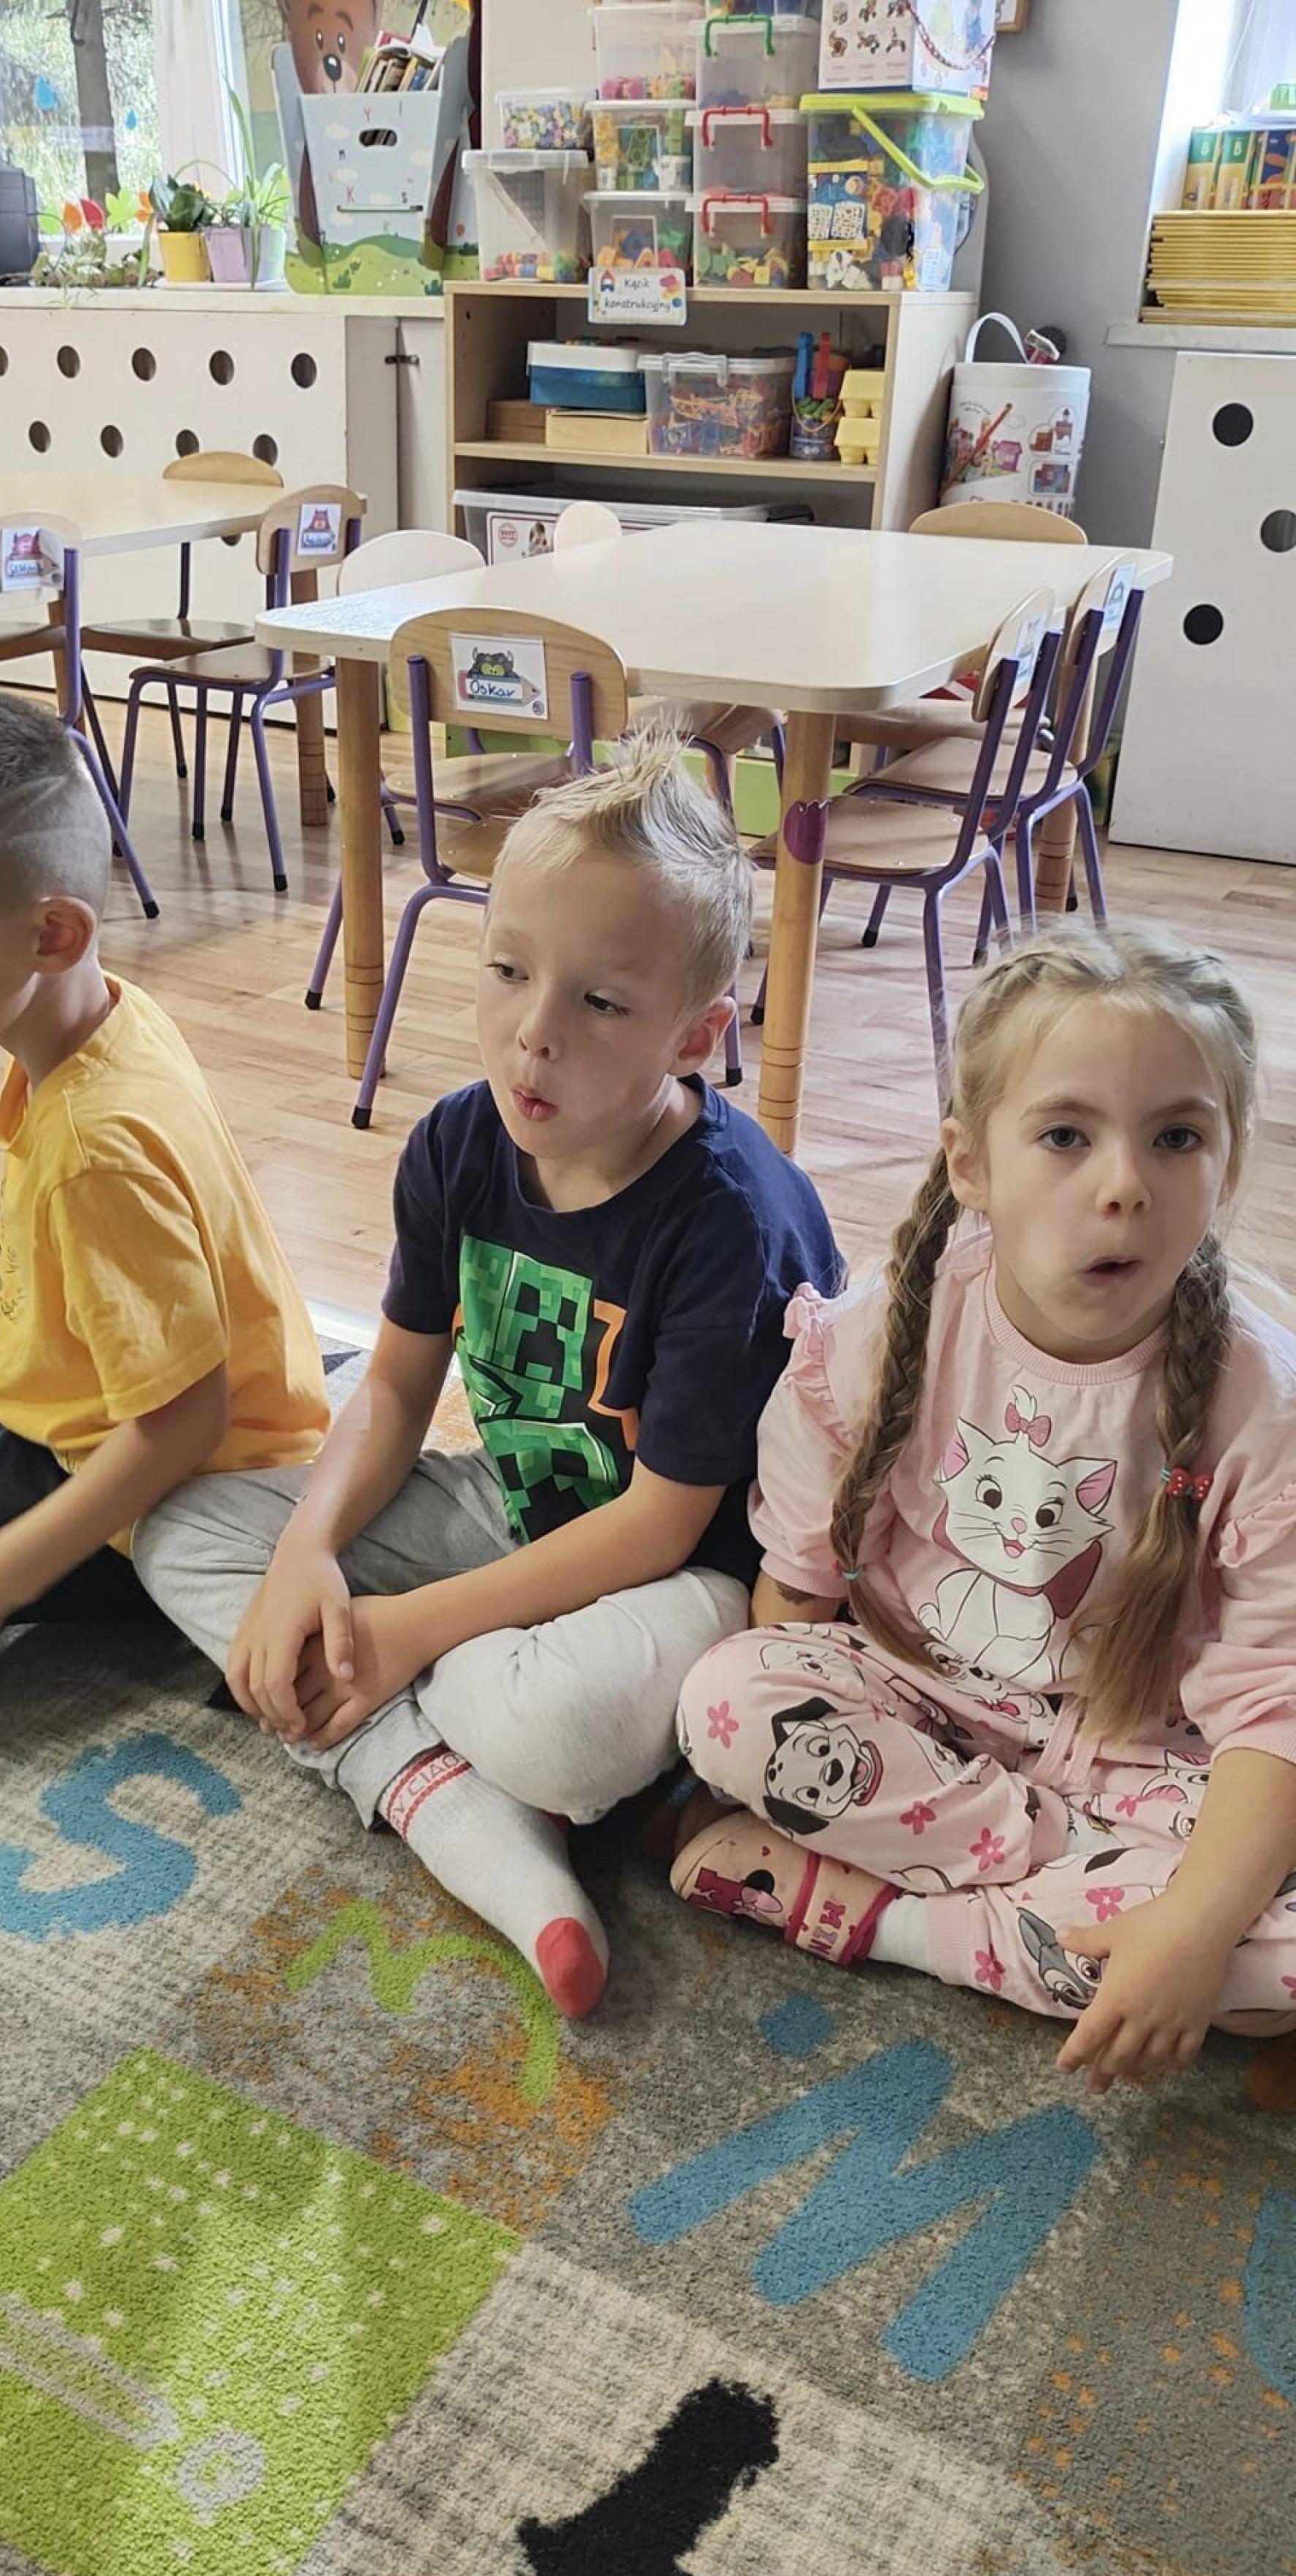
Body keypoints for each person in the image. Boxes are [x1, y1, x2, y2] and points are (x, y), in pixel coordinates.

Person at [134, 734, 843, 2017]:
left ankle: (434, 1738)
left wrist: (406, 1628)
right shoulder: (459, 1142)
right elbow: (397, 1388)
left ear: (696, 1035)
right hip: (511, 1510)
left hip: (690, 1580)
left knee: (546, 1731)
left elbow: (662, 1522)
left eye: (600, 1003)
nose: (533, 1034)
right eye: (509, 970)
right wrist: (308, 1549)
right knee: (183, 1526)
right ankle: (436, 1791)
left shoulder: (729, 1221)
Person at [673, 923, 1296, 2096]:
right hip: (924, 1702)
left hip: (1148, 1753)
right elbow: (795, 1594)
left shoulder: (1266, 1407)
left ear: (1230, 1161)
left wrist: (1192, 1924)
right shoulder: (882, 1333)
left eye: (1177, 1137)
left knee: (1269, 1943)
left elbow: (1275, 1706)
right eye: (1066, 1136)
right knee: (723, 1702)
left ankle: (887, 1917)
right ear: (971, 1163)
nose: (1124, 1185)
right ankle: (1066, 1914)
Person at [0, 689, 330, 1723]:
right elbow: (112, 1240)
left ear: (50, 934)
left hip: (171, 1502)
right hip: (90, 1415)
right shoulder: (108, 1022)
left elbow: (183, 1425)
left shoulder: (97, 1144)